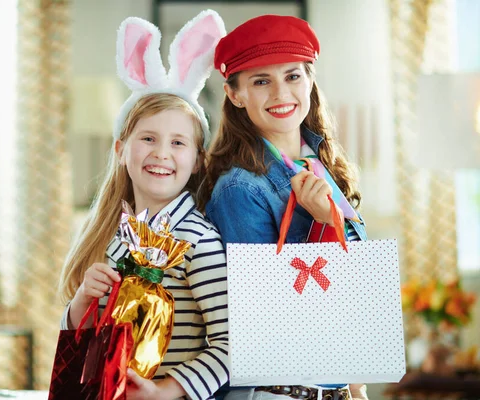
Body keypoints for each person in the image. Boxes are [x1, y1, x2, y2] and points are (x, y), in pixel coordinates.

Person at [58, 10, 229, 400]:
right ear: (121, 150)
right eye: (148, 139)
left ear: (198, 159)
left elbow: (232, 343)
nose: (162, 154)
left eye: (178, 142)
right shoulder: (115, 236)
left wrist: (165, 390)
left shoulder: (196, 240)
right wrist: (83, 299)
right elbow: (83, 340)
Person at [196, 15, 369, 400]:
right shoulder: (240, 189)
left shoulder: (325, 166)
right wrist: (323, 226)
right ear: (234, 94)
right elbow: (266, 315)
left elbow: (356, 290)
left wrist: (355, 383)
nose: (281, 93)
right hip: (275, 390)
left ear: (309, 80)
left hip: (331, 387)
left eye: (292, 76)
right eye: (261, 81)